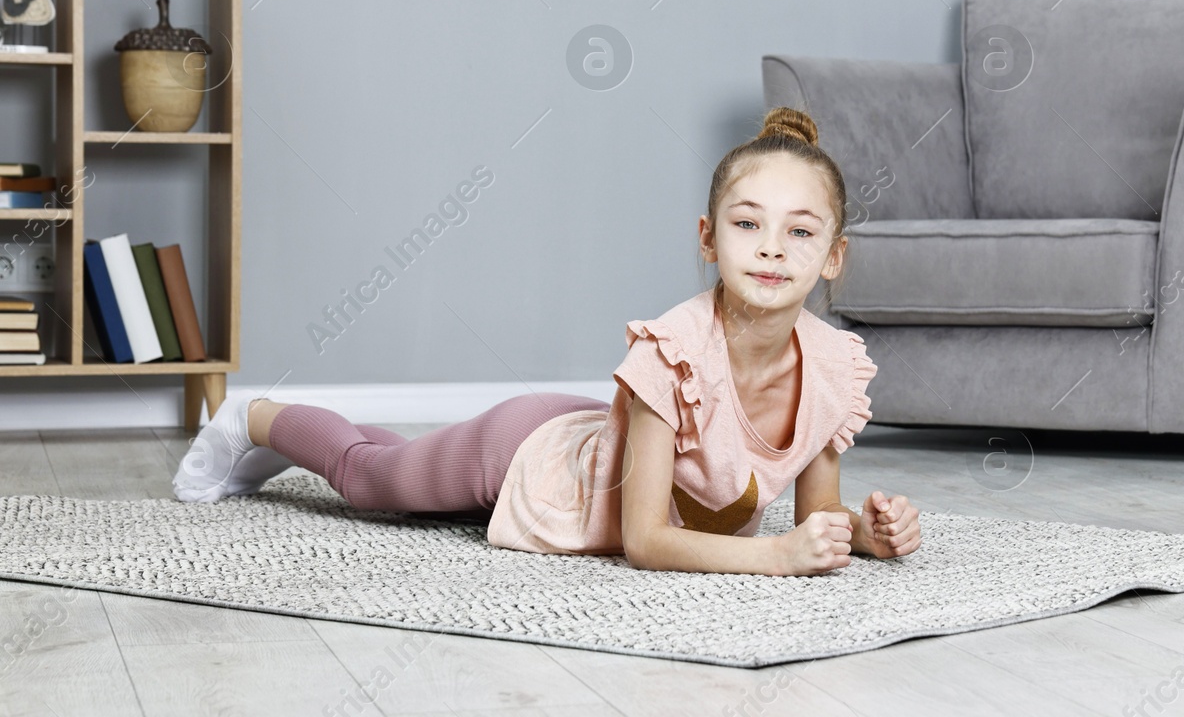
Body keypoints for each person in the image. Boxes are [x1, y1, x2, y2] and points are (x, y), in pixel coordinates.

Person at [172, 106, 921, 576]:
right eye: (747, 223)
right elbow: (647, 541)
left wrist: (862, 535)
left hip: (594, 446)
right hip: (532, 455)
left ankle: (275, 438)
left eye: (800, 231)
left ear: (833, 256)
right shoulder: (676, 351)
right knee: (374, 478)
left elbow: (815, 515)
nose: (771, 249)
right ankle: (254, 417)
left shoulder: (832, 368)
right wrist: (773, 559)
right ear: (707, 238)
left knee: (394, 455)